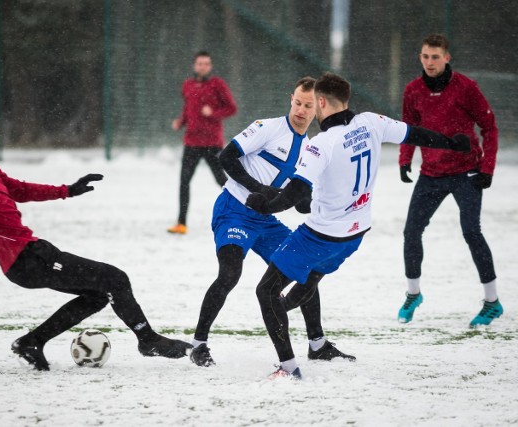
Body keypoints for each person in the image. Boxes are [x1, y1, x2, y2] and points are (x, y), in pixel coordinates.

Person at [0, 112, 192, 371]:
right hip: (27, 260)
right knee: (116, 279)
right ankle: (147, 339)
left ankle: (32, 342)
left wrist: (67, 190)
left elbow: (21, 189)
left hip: (34, 255)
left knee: (98, 295)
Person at [245, 72, 471, 379]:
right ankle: (315, 343)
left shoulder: (320, 143)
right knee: (305, 285)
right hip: (355, 234)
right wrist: (451, 144)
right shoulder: (371, 122)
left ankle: (288, 368)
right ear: (346, 100)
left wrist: (263, 205)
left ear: (321, 102)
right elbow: (414, 134)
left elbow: (296, 194)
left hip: (321, 235)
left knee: (266, 291)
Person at [190, 77, 353, 367]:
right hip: (234, 210)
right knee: (230, 274)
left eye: (308, 105)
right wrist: (261, 190)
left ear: (319, 107)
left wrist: (318, 202)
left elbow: (301, 202)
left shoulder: (313, 148)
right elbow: (226, 158)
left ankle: (318, 344)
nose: (301, 110)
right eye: (298, 103)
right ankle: (198, 345)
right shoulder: (267, 128)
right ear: (291, 99)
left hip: (266, 221)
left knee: (302, 267)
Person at [397, 34, 502, 327]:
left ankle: (492, 302)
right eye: (425, 57)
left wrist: (488, 169)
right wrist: (405, 159)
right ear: (420, 58)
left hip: (466, 173)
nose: (429, 62)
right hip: (430, 174)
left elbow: (490, 127)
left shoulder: (466, 88)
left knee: (471, 232)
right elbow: (410, 129)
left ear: (447, 58)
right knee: (411, 232)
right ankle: (413, 294)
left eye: (435, 57)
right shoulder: (413, 91)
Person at [167, 51, 237, 235]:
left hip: (212, 143)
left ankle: (239, 215)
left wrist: (213, 112)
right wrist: (180, 122)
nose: (203, 66)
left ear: (210, 66)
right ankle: (181, 223)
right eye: (199, 63)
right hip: (191, 142)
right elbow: (188, 109)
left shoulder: (217, 84)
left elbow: (231, 108)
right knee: (184, 181)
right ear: (194, 65)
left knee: (222, 181)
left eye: (206, 63)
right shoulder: (188, 85)